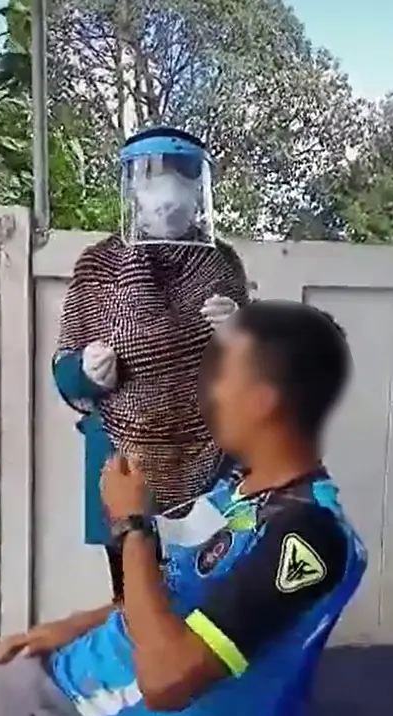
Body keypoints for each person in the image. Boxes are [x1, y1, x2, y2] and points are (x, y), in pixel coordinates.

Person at [0, 300, 367, 716]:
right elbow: (171, 595)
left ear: (263, 401)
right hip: (56, 683)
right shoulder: (239, 492)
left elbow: (164, 682)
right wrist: (66, 629)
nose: (203, 393)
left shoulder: (308, 536)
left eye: (219, 377)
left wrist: (132, 525)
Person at [52, 126, 249, 601]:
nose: (167, 207)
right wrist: (85, 371)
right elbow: (65, 368)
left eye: (178, 195)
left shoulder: (222, 264)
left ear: (197, 193)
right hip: (122, 457)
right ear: (134, 193)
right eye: (155, 194)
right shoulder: (100, 264)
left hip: (211, 461)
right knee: (132, 596)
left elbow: (253, 372)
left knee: (207, 593)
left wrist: (241, 332)